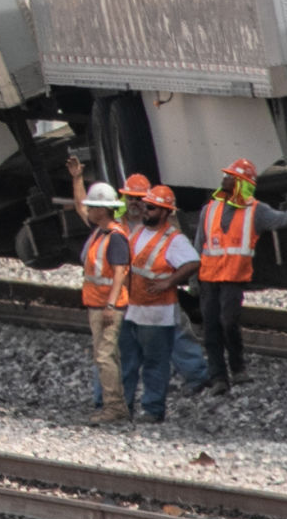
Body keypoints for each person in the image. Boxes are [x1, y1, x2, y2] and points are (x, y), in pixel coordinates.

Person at [70, 158, 209, 395]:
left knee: (174, 330)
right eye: (130, 197)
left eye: (139, 198)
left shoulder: (157, 224)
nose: (134, 202)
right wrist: (77, 180)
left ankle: (197, 375)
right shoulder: (116, 221)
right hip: (124, 295)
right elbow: (85, 209)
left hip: (152, 294)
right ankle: (110, 394)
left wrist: (169, 282)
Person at [195, 158, 287, 395]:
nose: (224, 180)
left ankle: (237, 368)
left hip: (233, 279)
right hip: (208, 278)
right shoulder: (209, 210)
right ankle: (218, 377)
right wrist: (191, 278)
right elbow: (199, 244)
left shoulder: (256, 211)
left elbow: (282, 220)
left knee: (228, 322)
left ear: (242, 184)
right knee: (211, 328)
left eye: (231, 177)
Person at [118, 184, 200, 423]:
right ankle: (124, 407)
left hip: (156, 313)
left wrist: (169, 282)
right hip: (133, 308)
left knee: (155, 363)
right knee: (127, 361)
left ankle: (153, 410)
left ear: (165, 212)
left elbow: (193, 262)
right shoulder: (138, 232)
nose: (145, 211)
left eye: (151, 207)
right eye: (145, 206)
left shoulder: (173, 240)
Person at [77, 180, 130, 424]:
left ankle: (114, 407)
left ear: (102, 209)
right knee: (105, 355)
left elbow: (120, 272)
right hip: (97, 304)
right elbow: (79, 206)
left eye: (92, 206)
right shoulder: (101, 232)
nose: (88, 210)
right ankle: (114, 404)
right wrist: (77, 178)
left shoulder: (115, 237)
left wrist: (110, 305)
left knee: (105, 356)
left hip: (107, 307)